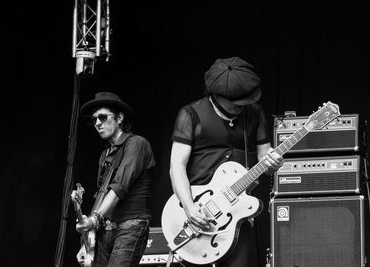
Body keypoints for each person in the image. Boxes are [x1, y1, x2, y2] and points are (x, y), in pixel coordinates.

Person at [169, 57, 283, 267]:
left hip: (237, 212)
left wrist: (273, 165)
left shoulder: (255, 113)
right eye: (236, 101)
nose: (242, 106)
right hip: (199, 209)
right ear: (217, 95)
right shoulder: (191, 114)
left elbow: (264, 159)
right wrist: (189, 207)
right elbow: (177, 166)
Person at [75, 92, 156, 267]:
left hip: (130, 228)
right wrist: (87, 245)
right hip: (106, 230)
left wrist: (94, 219)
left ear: (119, 118)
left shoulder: (137, 144)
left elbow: (120, 186)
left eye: (102, 117)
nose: (97, 123)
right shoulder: (105, 154)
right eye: (94, 119)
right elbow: (101, 196)